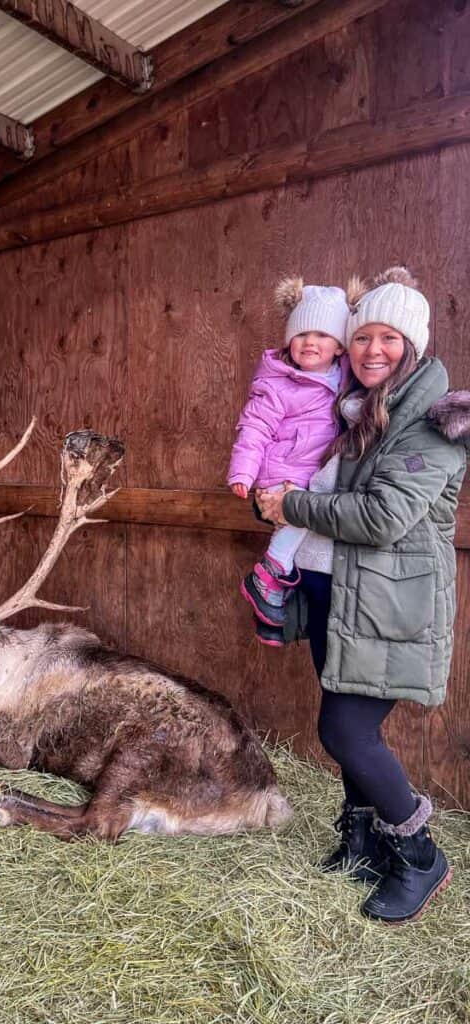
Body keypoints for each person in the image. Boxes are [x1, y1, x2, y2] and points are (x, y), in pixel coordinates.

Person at [256, 267, 468, 924]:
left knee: (344, 731)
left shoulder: (434, 424)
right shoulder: (356, 408)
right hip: (336, 593)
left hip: (388, 605)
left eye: (390, 338)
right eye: (363, 338)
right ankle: (363, 841)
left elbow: (381, 518)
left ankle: (420, 857)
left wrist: (292, 503)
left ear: (415, 345)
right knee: (356, 727)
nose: (374, 349)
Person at [227, 279, 348, 644]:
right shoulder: (278, 383)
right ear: (289, 342)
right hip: (282, 470)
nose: (311, 342)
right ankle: (269, 573)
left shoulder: (344, 380)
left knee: (305, 525)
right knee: (301, 515)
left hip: (312, 473)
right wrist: (243, 472)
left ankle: (273, 613)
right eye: (302, 334)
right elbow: (255, 427)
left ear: (339, 346)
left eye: (322, 335)